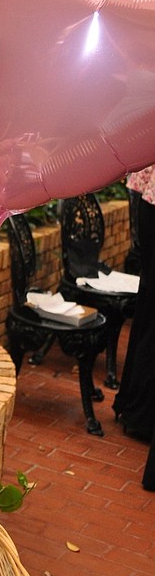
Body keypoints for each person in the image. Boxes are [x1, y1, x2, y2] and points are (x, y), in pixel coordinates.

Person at [112, 163, 155, 489]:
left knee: (149, 304)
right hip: (151, 195)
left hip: (149, 194)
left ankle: (135, 408)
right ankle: (140, 414)